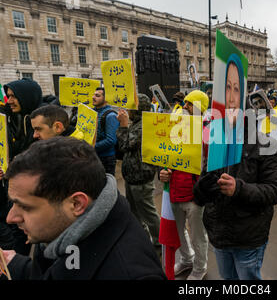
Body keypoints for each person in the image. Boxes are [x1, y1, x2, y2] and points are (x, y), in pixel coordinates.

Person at [0, 137, 166, 280]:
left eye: (25, 207)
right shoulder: (70, 227)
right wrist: (17, 266)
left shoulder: (129, 273)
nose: (11, 217)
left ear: (77, 204)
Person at [193, 116, 277, 280]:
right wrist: (202, 187)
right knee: (228, 278)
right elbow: (202, 190)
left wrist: (239, 189)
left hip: (248, 237)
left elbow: (274, 190)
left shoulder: (265, 144)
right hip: (219, 234)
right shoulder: (218, 141)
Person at [159, 90, 209, 281]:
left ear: (200, 108)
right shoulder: (175, 127)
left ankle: (200, 267)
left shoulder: (208, 131)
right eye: (185, 103)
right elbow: (164, 155)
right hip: (173, 191)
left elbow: (212, 166)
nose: (185, 106)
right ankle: (187, 259)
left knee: (198, 235)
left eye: (190, 104)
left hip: (195, 194)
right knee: (179, 233)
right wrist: (162, 173)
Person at [0, 79, 42, 257]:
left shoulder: (40, 121)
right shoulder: (11, 119)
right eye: (8, 96)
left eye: (13, 97)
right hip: (11, 188)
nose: (9, 101)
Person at [116, 94, 161, 253]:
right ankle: (143, 238)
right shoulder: (137, 123)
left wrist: (123, 125)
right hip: (132, 178)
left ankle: (159, 242)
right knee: (135, 213)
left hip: (141, 178)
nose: (128, 111)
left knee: (148, 213)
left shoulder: (144, 125)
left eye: (131, 108)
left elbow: (125, 145)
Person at [92, 87, 120, 176]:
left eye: (97, 95)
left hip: (106, 158)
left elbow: (111, 140)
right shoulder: (92, 112)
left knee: (108, 186)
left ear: (106, 99)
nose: (93, 97)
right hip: (95, 156)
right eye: (93, 95)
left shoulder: (110, 116)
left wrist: (92, 147)